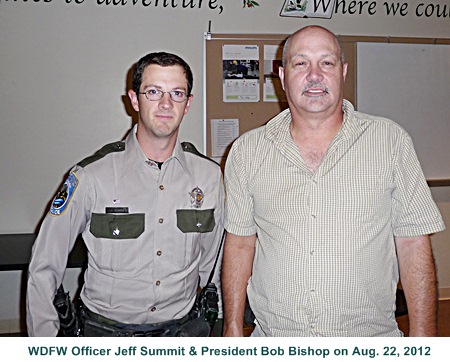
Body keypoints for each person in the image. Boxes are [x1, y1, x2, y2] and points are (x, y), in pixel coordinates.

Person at [222, 26, 445, 337]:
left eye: (326, 63)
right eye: (301, 63)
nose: (315, 74)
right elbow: (241, 243)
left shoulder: (390, 142)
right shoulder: (247, 151)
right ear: (283, 76)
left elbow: (412, 243)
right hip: (275, 341)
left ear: (343, 72)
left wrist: (424, 340)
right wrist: (232, 328)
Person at [27, 52, 224, 337]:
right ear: (134, 99)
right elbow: (45, 265)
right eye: (154, 92)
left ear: (188, 103)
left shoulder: (209, 177)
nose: (166, 103)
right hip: (105, 333)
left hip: (183, 331)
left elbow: (212, 264)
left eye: (177, 93)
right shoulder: (91, 176)